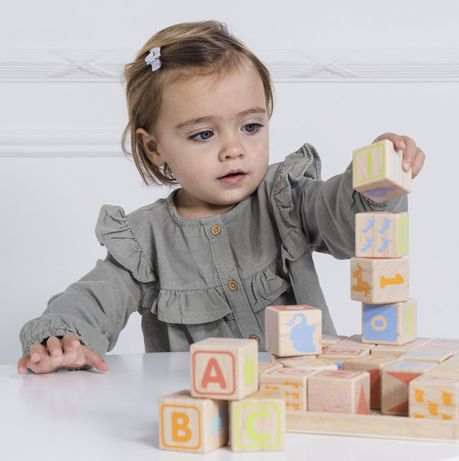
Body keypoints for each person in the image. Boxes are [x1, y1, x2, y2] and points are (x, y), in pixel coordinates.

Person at [17, 20, 425, 375]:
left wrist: (373, 181)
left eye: (250, 126)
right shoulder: (145, 241)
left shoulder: (286, 200)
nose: (233, 149)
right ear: (155, 147)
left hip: (304, 405)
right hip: (203, 424)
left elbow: (346, 221)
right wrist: (63, 337)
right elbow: (92, 299)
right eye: (203, 134)